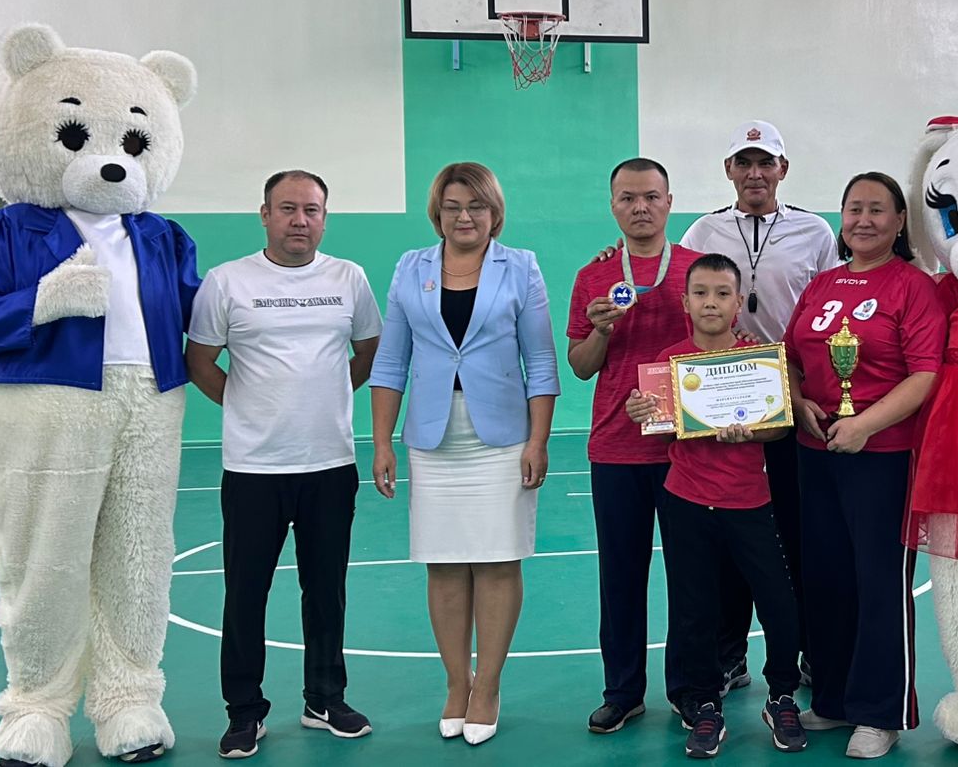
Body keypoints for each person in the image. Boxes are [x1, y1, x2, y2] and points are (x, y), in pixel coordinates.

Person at [185, 170, 382, 758]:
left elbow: (368, 351)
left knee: (326, 591)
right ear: (265, 214)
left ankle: (325, 700)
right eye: (288, 208)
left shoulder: (349, 278)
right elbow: (200, 361)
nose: (300, 220)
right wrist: (249, 405)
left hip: (330, 464)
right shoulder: (227, 282)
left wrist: (325, 399)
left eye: (312, 210)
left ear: (325, 217)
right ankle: (244, 711)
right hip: (253, 469)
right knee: (246, 594)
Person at [369, 162, 559, 745]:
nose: (464, 216)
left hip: (502, 437)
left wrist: (538, 440)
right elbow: (390, 361)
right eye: (452, 206)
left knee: (499, 561)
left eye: (476, 206)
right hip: (433, 438)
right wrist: (381, 441)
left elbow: (541, 362)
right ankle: (457, 682)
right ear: (438, 213)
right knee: (444, 562)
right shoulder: (410, 267)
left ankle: (488, 687)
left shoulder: (520, 267)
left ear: (494, 212)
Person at [782, 172, 946, 759]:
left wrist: (866, 424)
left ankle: (881, 712)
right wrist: (797, 401)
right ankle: (832, 699)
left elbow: (925, 374)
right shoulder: (821, 284)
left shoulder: (914, 287)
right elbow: (789, 356)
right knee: (825, 578)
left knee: (879, 583)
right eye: (854, 208)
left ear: (900, 221)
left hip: (883, 458)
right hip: (815, 453)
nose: (864, 220)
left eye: (878, 209)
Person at [623, 253, 808, 758]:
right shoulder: (669, 363)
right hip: (687, 502)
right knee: (694, 610)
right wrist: (642, 409)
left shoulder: (757, 359)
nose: (711, 302)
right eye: (701, 293)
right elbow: (660, 425)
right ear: (685, 302)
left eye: (722, 293)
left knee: (779, 604)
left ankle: (782, 694)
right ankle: (705, 704)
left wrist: (751, 431)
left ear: (737, 302)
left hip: (750, 502)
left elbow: (778, 429)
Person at [678, 120, 837, 695]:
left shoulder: (814, 231)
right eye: (743, 163)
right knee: (728, 535)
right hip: (723, 402)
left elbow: (829, 311)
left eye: (765, 162)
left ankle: (806, 652)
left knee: (795, 533)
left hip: (791, 400)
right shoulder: (703, 230)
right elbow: (681, 296)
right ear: (728, 170)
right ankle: (729, 656)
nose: (754, 173)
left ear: (782, 169)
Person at [568, 158, 702, 733]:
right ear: (613, 206)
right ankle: (622, 691)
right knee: (620, 577)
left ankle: (690, 690)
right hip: (616, 450)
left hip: (686, 450)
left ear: (669, 201)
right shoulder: (593, 276)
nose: (640, 207)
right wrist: (602, 330)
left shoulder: (697, 269)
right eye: (627, 198)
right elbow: (580, 366)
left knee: (691, 578)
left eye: (650, 196)